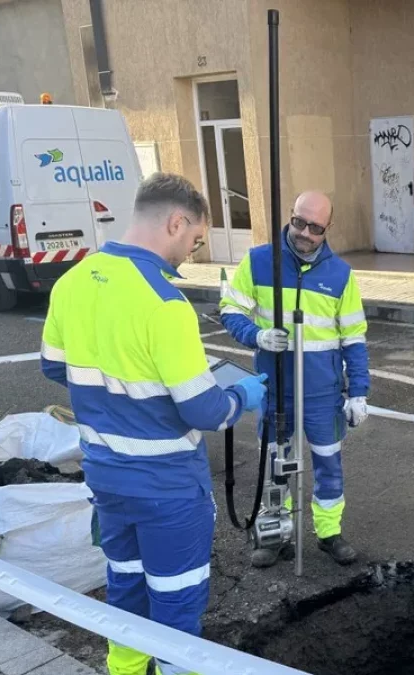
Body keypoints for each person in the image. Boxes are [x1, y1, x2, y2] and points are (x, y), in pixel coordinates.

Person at [40, 173, 268, 675]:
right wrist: (242, 395)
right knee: (176, 608)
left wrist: (117, 394)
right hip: (166, 487)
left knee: (126, 590)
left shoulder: (73, 281)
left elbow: (56, 366)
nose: (191, 250)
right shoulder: (165, 302)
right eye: (195, 239)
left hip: (105, 477)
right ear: (175, 221)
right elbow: (204, 411)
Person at [219, 190, 371, 568]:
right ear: (291, 216)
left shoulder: (340, 275)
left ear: (327, 228)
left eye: (315, 227)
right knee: (276, 465)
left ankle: (329, 532)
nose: (304, 232)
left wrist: (359, 392)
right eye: (299, 222)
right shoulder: (259, 262)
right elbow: (230, 308)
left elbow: (353, 336)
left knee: (328, 464)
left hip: (323, 394)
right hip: (277, 390)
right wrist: (256, 335)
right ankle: (276, 533)